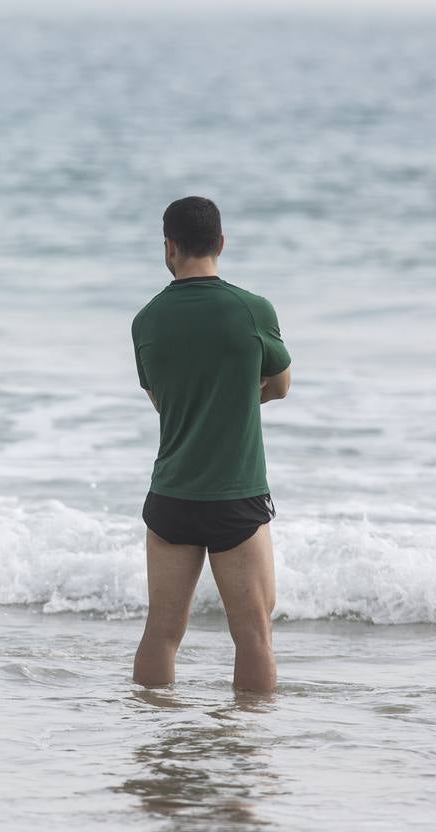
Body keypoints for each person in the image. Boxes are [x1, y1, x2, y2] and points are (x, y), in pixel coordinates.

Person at [131, 196, 291, 692]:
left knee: (161, 632)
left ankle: (157, 746)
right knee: (253, 635)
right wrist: (235, 401)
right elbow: (281, 385)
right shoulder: (253, 310)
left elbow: (162, 401)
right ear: (221, 243)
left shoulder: (147, 320)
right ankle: (248, 753)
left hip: (172, 495)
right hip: (234, 495)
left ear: (169, 247)